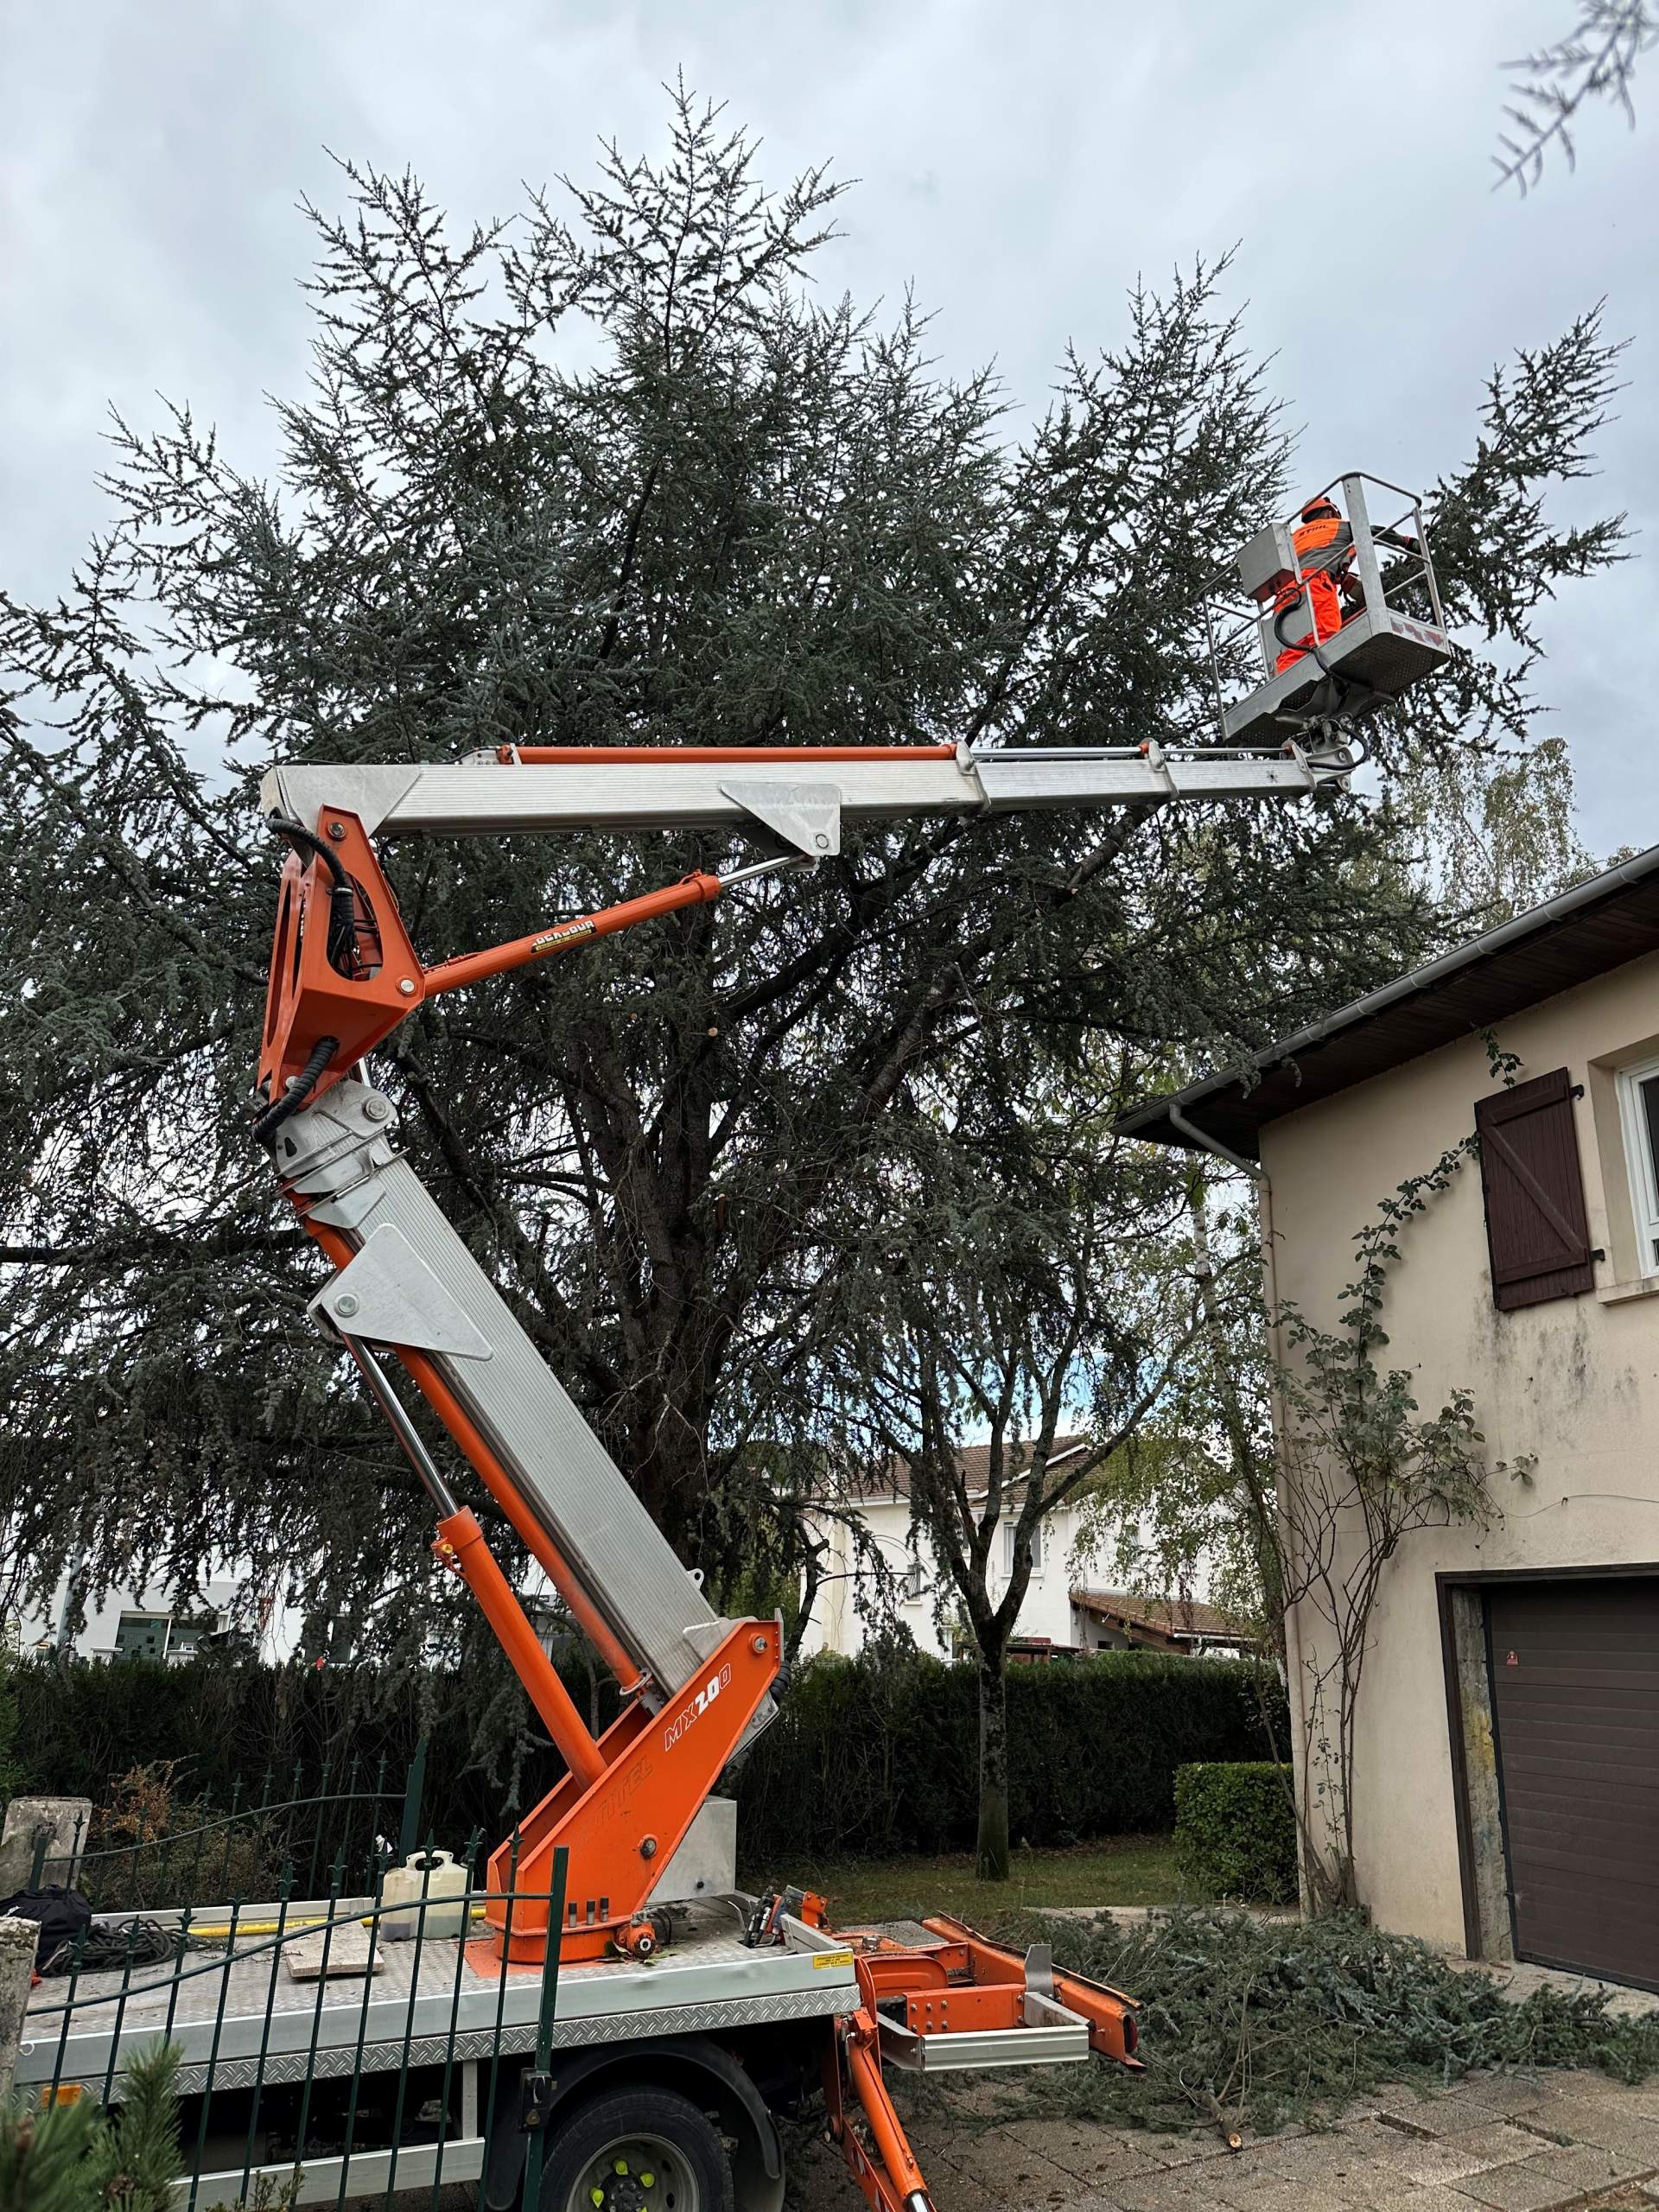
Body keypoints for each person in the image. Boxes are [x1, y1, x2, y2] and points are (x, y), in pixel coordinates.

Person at [1274, 494, 1362, 671]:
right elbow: (1371, 531)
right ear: (1330, 514)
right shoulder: (1340, 526)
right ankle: (1331, 676)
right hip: (1316, 585)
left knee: (1290, 649)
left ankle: (1289, 688)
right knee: (1325, 639)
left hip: (1284, 594)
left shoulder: (1293, 538)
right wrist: (1408, 542)